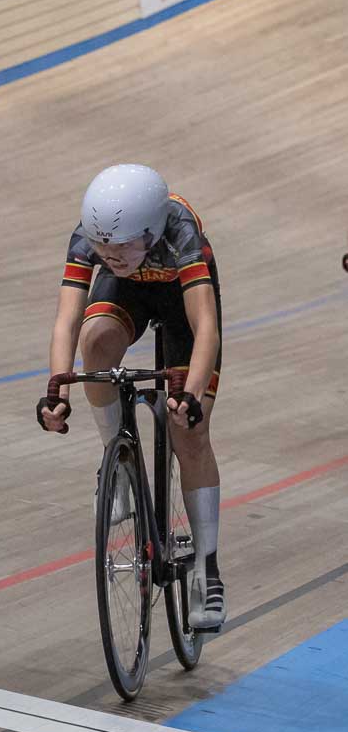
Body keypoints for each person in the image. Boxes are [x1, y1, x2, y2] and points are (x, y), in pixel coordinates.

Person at [36, 164, 225, 631]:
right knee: (95, 341)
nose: (110, 255)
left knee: (190, 433)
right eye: (103, 247)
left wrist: (191, 397)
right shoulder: (92, 237)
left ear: (151, 231)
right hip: (129, 296)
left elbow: (205, 328)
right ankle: (116, 461)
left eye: (121, 247)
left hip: (181, 302)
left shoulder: (181, 233)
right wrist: (56, 388)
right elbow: (66, 321)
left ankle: (206, 568)